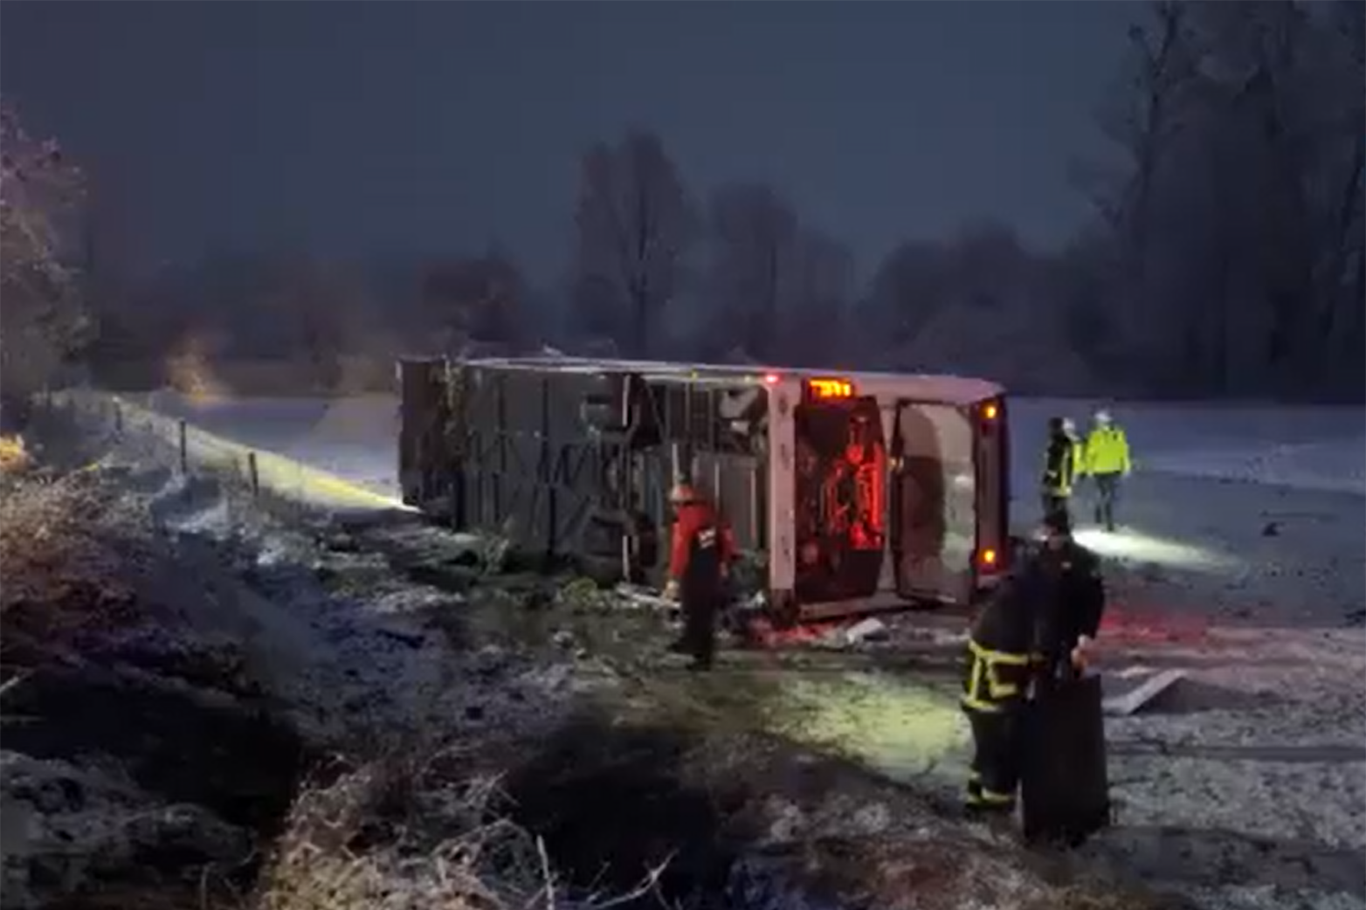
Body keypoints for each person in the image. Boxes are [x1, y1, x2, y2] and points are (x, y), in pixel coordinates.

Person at [961, 510, 1106, 816]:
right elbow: (1009, 676)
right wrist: (1022, 705)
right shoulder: (1012, 627)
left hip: (983, 700)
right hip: (992, 704)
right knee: (1001, 759)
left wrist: (1077, 643)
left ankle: (975, 804)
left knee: (987, 755)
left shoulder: (1012, 603)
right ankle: (994, 815)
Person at [662, 482, 735, 671]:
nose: (673, 509)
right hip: (710, 573)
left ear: (681, 503)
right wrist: (724, 563)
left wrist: (672, 579)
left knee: (694, 613)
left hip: (693, 573)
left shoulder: (685, 520)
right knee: (703, 614)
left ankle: (701, 658)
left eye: (673, 504)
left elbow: (680, 551)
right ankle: (690, 643)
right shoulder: (710, 515)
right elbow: (726, 540)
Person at [1081, 409, 1132, 531]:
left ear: (1108, 421)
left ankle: (1103, 514)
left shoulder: (1118, 433)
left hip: (1115, 469)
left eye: (1103, 420)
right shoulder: (1094, 435)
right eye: (1098, 421)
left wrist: (1126, 466)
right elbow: (1090, 454)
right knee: (1104, 496)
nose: (1100, 423)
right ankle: (1107, 522)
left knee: (1111, 496)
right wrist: (1088, 469)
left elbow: (1123, 450)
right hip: (1099, 470)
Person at [1040, 416, 1078, 524]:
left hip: (1059, 481)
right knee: (1059, 505)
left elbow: (1055, 461)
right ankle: (1059, 527)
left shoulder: (1059, 441)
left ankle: (1056, 527)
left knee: (1053, 504)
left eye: (1051, 427)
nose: (1050, 429)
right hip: (1064, 480)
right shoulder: (1065, 441)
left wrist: (1049, 476)